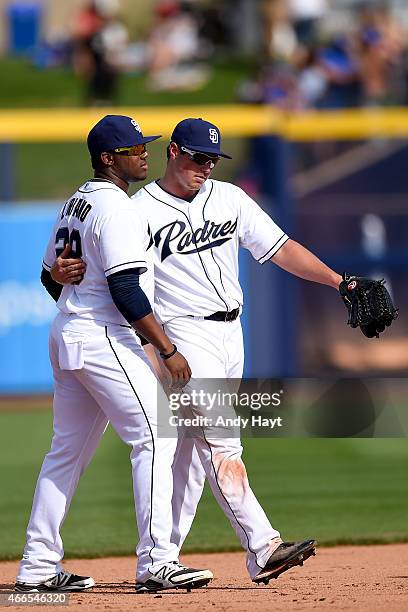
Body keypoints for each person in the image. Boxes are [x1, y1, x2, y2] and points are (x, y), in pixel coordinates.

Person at [53, 117, 346, 585]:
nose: (205, 166)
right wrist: (155, 346)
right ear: (173, 151)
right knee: (221, 441)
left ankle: (161, 559)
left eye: (212, 158)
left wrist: (341, 282)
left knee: (190, 457)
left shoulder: (229, 197)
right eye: (196, 156)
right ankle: (263, 545)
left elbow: (281, 247)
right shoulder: (137, 209)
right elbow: (113, 280)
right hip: (185, 336)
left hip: (233, 334)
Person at [15, 115, 213, 595]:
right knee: (155, 436)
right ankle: (157, 562)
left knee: (65, 453)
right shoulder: (117, 209)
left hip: (68, 333)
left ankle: (37, 566)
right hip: (101, 334)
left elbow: (50, 277)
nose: (143, 152)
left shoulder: (75, 203)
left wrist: (63, 279)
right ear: (108, 158)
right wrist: (166, 349)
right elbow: (126, 290)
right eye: (132, 148)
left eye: (143, 145)